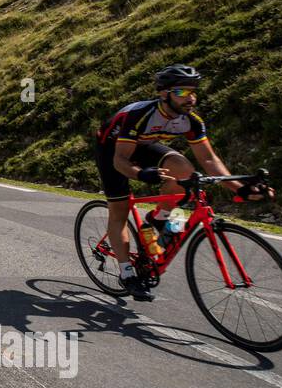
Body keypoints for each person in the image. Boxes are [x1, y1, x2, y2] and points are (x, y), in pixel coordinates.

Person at [95, 64, 273, 301]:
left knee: (184, 170)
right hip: (112, 151)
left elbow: (209, 160)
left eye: (193, 92)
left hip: (145, 144)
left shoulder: (191, 121)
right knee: (120, 210)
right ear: (164, 93)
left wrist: (241, 188)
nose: (190, 98)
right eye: (182, 92)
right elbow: (120, 160)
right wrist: (141, 174)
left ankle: (157, 220)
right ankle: (127, 273)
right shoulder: (140, 115)